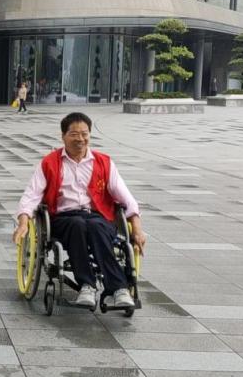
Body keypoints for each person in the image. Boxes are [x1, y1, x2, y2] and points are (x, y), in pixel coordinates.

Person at [12, 112, 147, 308]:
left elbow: (126, 198)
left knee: (95, 226)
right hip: (64, 218)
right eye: (74, 134)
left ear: (90, 134)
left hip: (97, 217)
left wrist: (137, 228)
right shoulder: (50, 163)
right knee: (77, 224)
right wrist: (24, 221)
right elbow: (31, 195)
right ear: (63, 136)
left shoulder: (104, 163)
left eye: (84, 134)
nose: (80, 139)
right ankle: (87, 285)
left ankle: (119, 289)